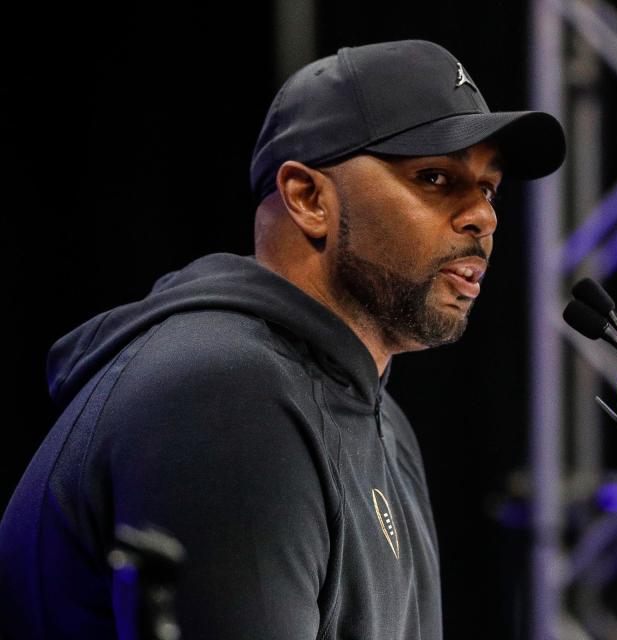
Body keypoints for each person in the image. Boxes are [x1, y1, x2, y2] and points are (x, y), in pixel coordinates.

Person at [0, 39, 565, 639]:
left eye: (488, 189)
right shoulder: (223, 395)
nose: (483, 216)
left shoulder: (379, 419)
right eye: (434, 177)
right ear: (307, 198)